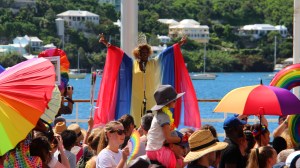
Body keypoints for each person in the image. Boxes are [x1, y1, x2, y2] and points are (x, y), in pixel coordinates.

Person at [95, 34, 200, 129]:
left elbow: (167, 53)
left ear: (149, 53)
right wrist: (107, 44)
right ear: (138, 53)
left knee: (152, 121)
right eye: (142, 52)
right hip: (136, 97)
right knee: (136, 121)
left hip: (151, 97)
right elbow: (119, 54)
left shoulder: (154, 63)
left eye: (146, 52)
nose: (144, 54)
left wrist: (179, 44)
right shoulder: (132, 64)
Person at [146, 85, 187, 168]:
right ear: (168, 102)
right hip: (158, 150)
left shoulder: (159, 115)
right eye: (174, 100)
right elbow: (168, 138)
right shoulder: (164, 117)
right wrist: (182, 139)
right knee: (179, 165)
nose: (176, 101)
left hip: (151, 149)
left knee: (180, 159)